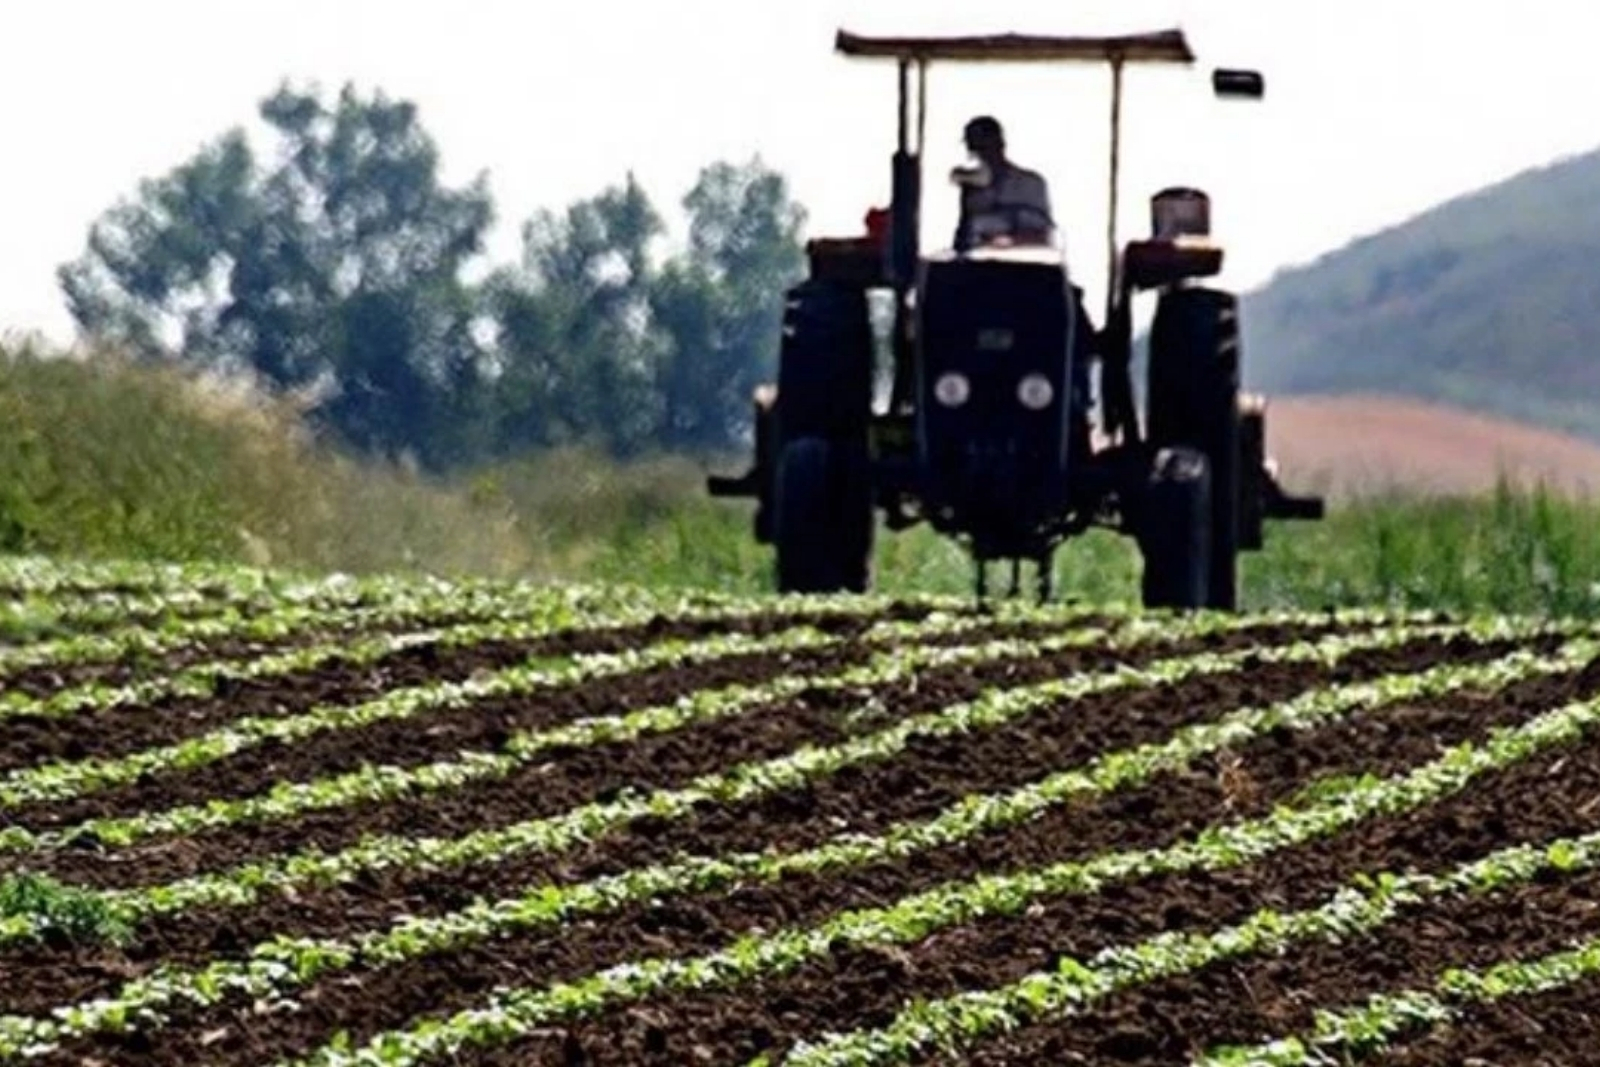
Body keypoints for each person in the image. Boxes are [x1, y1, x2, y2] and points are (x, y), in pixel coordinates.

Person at [951, 116, 1055, 252]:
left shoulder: (1029, 184)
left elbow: (1042, 234)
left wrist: (1006, 241)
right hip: (978, 264)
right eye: (974, 148)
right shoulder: (971, 185)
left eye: (984, 146)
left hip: (1024, 264)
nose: (980, 154)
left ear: (1000, 144)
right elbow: (963, 240)